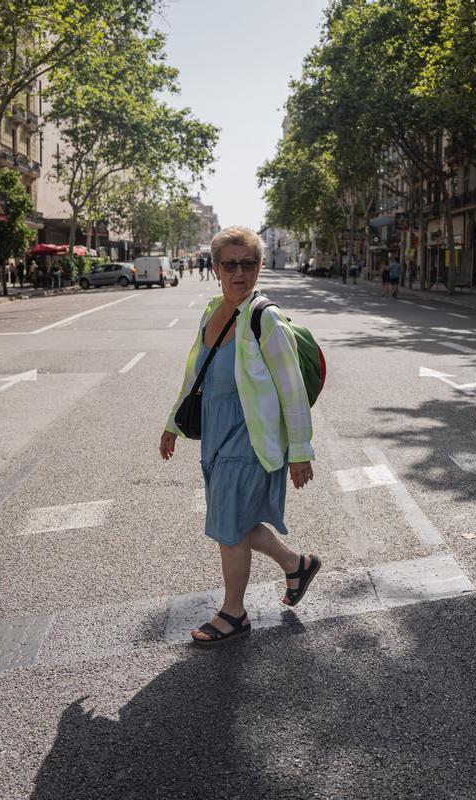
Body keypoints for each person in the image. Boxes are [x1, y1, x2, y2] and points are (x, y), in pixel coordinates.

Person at [159, 226, 318, 646]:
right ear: (214, 268)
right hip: (215, 433)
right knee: (237, 520)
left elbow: (292, 389)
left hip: (250, 437)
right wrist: (173, 423)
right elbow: (196, 375)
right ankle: (296, 564)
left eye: (249, 263)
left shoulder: (264, 318)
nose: (240, 272)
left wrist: (301, 451)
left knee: (228, 526)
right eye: (230, 264)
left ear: (259, 266)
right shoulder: (213, 310)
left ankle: (233, 613)